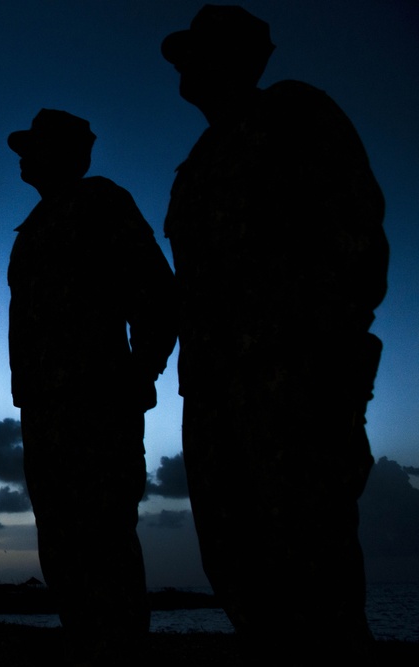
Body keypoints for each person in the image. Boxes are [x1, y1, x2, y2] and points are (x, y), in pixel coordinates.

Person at [161, 5, 388, 660]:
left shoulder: (295, 116)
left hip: (296, 390)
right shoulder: (198, 163)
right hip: (212, 402)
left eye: (196, 53)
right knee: (239, 572)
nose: (183, 68)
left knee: (314, 575)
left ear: (238, 58)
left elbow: (357, 240)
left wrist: (326, 359)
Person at [7, 109, 177, 655]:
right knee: (61, 551)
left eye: (33, 147)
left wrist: (137, 374)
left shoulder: (100, 202)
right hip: (45, 418)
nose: (22, 158)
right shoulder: (32, 230)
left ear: (61, 153)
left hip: (97, 411)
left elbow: (155, 294)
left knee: (103, 545)